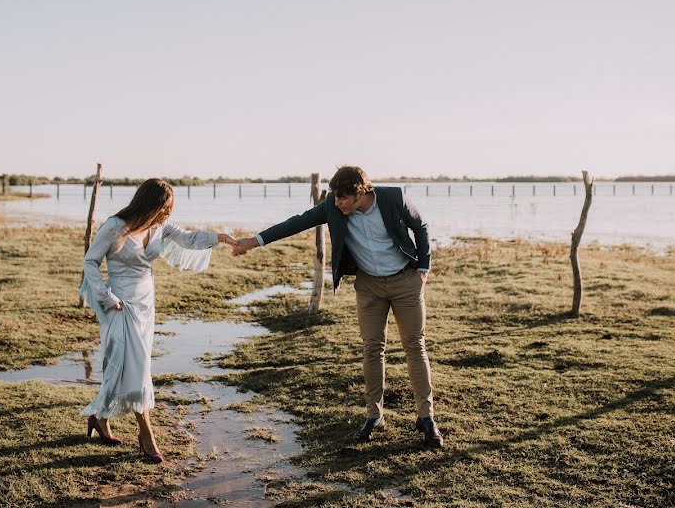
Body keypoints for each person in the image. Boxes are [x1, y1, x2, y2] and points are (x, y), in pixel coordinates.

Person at [233, 166, 443, 448]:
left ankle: (426, 417)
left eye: (342, 198)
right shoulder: (332, 207)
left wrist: (424, 267)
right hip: (369, 286)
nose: (336, 203)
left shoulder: (393, 198)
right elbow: (294, 223)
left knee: (414, 346)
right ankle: (374, 416)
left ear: (361, 193)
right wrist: (253, 242)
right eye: (334, 197)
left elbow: (421, 226)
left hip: (405, 280)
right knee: (372, 347)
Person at [79, 178, 237, 463]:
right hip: (119, 304)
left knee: (128, 366)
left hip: (145, 304)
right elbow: (90, 261)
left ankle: (99, 417)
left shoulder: (160, 227)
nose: (168, 214)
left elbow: (189, 238)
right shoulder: (115, 227)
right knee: (133, 367)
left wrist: (222, 238)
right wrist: (105, 296)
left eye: (170, 209)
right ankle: (146, 435)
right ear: (149, 204)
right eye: (164, 208)